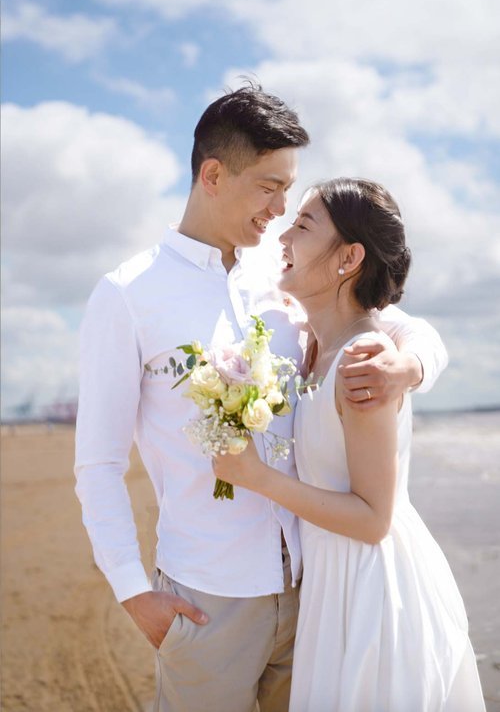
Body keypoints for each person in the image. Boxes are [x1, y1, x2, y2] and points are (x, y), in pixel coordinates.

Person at [75, 86, 448, 712]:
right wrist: (134, 592)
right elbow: (99, 465)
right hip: (208, 598)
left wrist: (412, 365)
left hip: (312, 594)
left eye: (290, 191)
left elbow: (392, 323)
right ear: (213, 174)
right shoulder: (127, 295)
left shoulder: (280, 281)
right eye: (269, 186)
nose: (280, 211)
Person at [213, 177, 485, 712]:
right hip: (331, 586)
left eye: (304, 225)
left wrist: (257, 477)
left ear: (349, 258)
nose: (284, 236)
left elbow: (372, 518)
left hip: (373, 592)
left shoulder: (363, 362)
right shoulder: (317, 342)